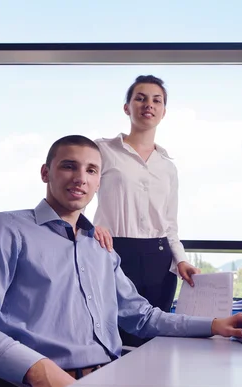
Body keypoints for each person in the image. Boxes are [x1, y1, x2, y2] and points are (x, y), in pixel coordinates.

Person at [0, 135, 242, 387]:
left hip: (110, 383)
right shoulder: (5, 228)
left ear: (100, 182)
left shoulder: (100, 246)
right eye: (69, 166)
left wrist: (214, 324)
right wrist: (38, 370)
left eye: (92, 170)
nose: (80, 178)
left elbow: (142, 317)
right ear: (46, 172)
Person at [92, 75, 199, 346]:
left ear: (163, 112)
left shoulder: (167, 166)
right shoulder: (102, 150)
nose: (148, 104)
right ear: (127, 107)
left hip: (160, 260)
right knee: (112, 337)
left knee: (155, 340)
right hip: (112, 252)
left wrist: (181, 260)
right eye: (140, 98)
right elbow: (78, 193)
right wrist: (88, 228)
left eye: (156, 100)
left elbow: (169, 223)